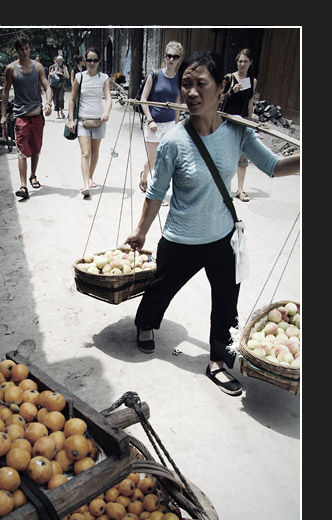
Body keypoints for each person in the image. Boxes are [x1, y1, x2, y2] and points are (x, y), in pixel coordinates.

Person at [124, 50, 300, 397]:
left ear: (221, 88)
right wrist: (141, 231)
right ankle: (145, 323)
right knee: (160, 290)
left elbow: (275, 167)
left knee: (226, 304)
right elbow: (156, 193)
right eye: (186, 85)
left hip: (223, 237)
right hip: (181, 238)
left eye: (200, 84)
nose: (191, 92)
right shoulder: (173, 141)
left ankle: (218, 360)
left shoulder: (238, 132)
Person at [1, 34, 52, 200]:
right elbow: (5, 92)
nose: (24, 52)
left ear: (30, 48)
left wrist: (49, 103)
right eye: (21, 49)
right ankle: (23, 185)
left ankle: (33, 175)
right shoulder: (11, 69)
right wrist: (3, 115)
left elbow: (47, 86)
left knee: (36, 149)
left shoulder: (37, 67)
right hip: (21, 116)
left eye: (27, 48)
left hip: (37, 115)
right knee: (22, 151)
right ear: (17, 51)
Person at [139, 41, 184, 204]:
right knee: (153, 161)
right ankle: (144, 175)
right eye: (169, 56)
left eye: (175, 57)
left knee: (164, 161)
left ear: (179, 59)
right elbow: (143, 99)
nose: (171, 59)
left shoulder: (179, 78)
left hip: (170, 124)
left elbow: (178, 101)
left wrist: (177, 123)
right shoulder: (155, 75)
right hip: (154, 123)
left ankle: (158, 193)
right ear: (165, 56)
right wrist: (150, 120)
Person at [68, 47, 112, 197]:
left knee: (95, 152)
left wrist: (106, 112)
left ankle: (90, 176)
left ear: (99, 61)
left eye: (95, 60)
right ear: (84, 61)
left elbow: (108, 97)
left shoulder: (104, 78)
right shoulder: (79, 77)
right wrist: (71, 120)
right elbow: (72, 100)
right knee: (85, 152)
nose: (92, 63)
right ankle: (86, 184)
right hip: (82, 120)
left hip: (99, 121)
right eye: (89, 60)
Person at [221, 48, 258, 202]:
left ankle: (240, 190)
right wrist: (231, 91)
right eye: (240, 61)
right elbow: (218, 97)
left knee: (242, 158)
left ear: (250, 63)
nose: (242, 64)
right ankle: (223, 188)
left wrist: (250, 119)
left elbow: (250, 101)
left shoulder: (252, 81)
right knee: (225, 156)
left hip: (242, 121)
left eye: (245, 61)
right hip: (227, 121)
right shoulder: (229, 78)